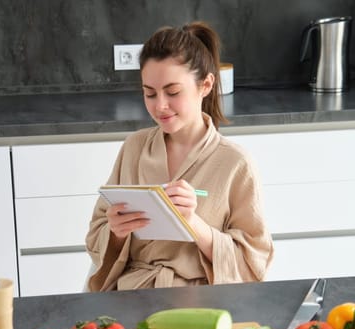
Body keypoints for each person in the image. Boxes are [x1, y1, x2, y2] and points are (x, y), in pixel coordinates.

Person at [85, 21, 273, 291]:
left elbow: (254, 263)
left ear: (206, 85)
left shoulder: (235, 163)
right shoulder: (134, 148)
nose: (160, 105)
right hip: (130, 295)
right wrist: (115, 232)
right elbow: (95, 237)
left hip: (202, 302)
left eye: (173, 92)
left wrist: (194, 224)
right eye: (149, 93)